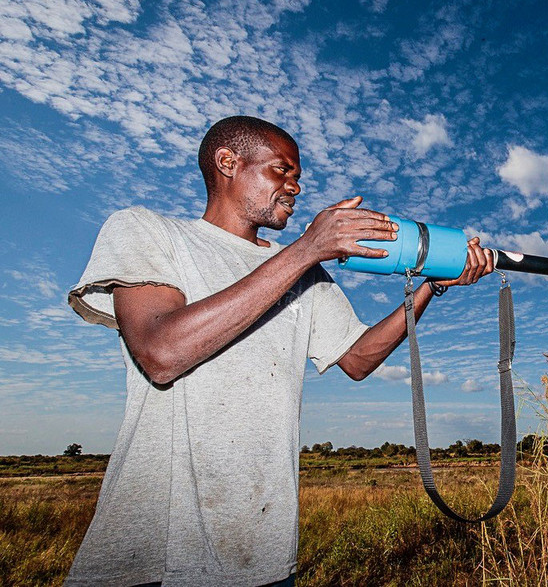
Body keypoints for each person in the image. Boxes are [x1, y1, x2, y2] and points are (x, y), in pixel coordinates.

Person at [65, 115, 493, 586]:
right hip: (151, 553)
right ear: (228, 162)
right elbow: (161, 352)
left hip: (259, 551)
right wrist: (307, 248)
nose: (295, 186)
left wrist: (430, 285)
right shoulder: (149, 231)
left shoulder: (303, 271)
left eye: (298, 177)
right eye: (282, 170)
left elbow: (357, 359)